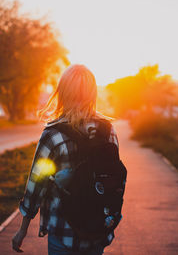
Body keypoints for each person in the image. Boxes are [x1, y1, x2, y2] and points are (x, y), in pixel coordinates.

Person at [12, 64, 122, 255]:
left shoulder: (52, 135)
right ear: (92, 93)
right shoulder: (108, 131)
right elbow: (113, 179)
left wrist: (23, 229)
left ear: (62, 93)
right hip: (97, 229)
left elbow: (36, 185)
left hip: (63, 230)